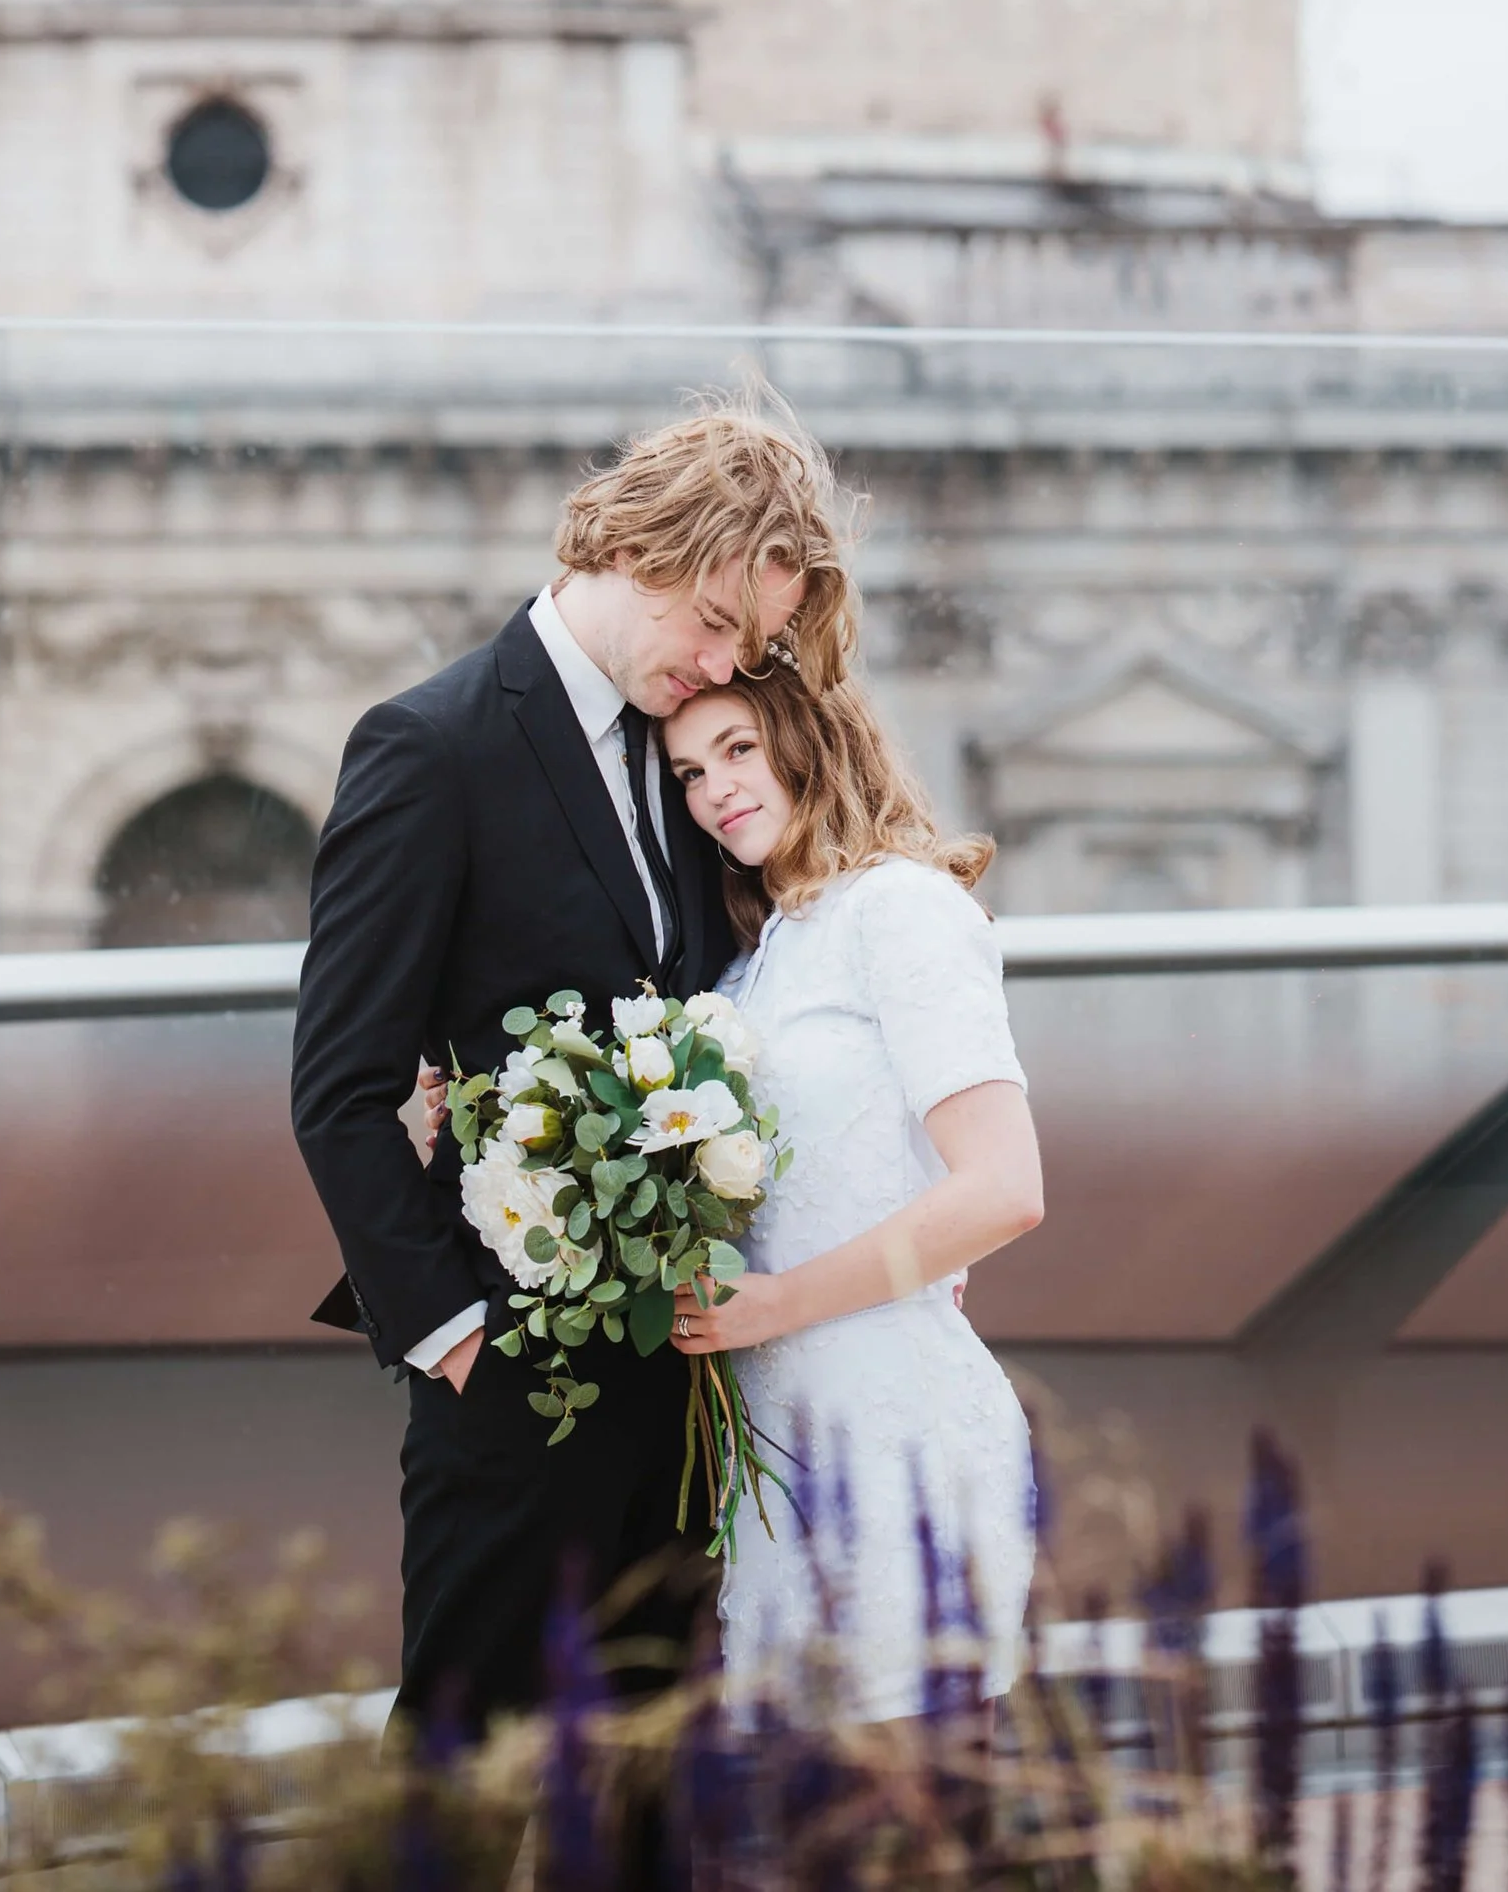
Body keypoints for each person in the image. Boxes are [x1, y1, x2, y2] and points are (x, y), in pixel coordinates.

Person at [289, 395, 854, 1739]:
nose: (727, 660)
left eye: (754, 642)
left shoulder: (687, 751)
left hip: (689, 1384)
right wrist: (456, 1340)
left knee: (655, 1799)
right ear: (636, 546)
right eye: (717, 621)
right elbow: (340, 1086)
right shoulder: (430, 748)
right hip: (512, 1384)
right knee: (460, 1791)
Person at [663, 654, 1044, 1719]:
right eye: (689, 772)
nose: (715, 789)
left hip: (892, 1442)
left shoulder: (904, 911)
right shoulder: (758, 955)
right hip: (770, 1456)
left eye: (737, 749)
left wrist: (778, 1303)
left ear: (812, 740)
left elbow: (1004, 1188)